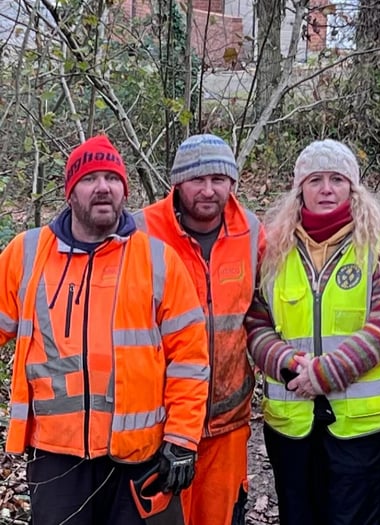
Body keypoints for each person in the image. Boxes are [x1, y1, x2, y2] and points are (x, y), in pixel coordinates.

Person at [0, 135, 210, 525]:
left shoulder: (156, 259)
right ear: (69, 192)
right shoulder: (26, 253)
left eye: (112, 179)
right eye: (89, 178)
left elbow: (190, 358)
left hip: (140, 454)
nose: (102, 187)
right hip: (55, 456)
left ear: (123, 191)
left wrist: (181, 439)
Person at [245, 139, 380, 525]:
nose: (326, 189)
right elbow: (256, 320)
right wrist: (286, 364)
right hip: (292, 422)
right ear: (299, 188)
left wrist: (324, 373)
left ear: (353, 187)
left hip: (362, 426)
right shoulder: (273, 249)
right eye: (315, 179)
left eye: (337, 179)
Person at [135, 133, 264, 525]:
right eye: (197, 180)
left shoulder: (253, 231)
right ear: (177, 182)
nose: (208, 190)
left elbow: (261, 314)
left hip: (228, 421)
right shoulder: (140, 231)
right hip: (158, 423)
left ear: (232, 183)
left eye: (218, 179)